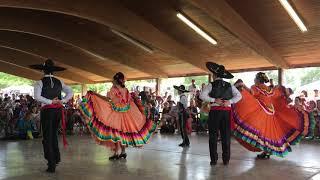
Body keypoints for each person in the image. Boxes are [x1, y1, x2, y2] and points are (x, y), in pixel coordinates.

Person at [79, 72, 156, 161]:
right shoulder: (125, 90)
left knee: (115, 133)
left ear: (116, 80)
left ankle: (116, 153)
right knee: (124, 133)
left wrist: (96, 94)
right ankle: (123, 152)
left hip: (116, 114)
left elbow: (108, 100)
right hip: (128, 113)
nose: (112, 81)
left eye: (113, 79)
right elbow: (129, 101)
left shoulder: (113, 89)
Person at [232, 72, 309, 159]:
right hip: (271, 112)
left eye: (255, 78)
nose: (254, 79)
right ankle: (267, 152)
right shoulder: (269, 88)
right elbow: (277, 94)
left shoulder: (255, 87)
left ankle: (266, 152)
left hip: (262, 111)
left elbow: (251, 93)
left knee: (262, 133)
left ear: (257, 79)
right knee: (269, 134)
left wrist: (243, 85)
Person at [30, 59, 73, 173]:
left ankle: (51, 163)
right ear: (53, 71)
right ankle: (56, 158)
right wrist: (62, 100)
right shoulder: (60, 81)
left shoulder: (40, 82)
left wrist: (50, 102)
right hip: (58, 111)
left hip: (47, 111)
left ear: (43, 70)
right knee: (53, 135)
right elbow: (70, 92)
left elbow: (37, 96)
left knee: (47, 137)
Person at [200, 62, 242, 166]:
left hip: (215, 112)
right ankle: (226, 160)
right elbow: (239, 96)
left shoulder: (211, 84)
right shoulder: (229, 85)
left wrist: (214, 99)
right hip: (226, 112)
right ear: (223, 76)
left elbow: (202, 96)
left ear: (214, 75)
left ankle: (214, 160)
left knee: (213, 136)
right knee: (226, 136)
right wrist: (229, 102)